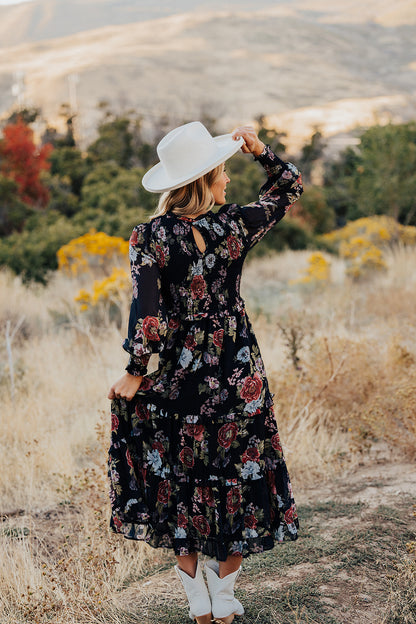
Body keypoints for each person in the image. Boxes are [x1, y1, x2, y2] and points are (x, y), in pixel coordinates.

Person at [107, 121, 303, 624]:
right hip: (239, 374)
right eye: (224, 171)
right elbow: (288, 185)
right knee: (241, 475)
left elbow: (147, 316)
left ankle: (198, 598)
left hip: (181, 379)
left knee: (181, 478)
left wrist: (135, 370)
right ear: (206, 178)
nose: (229, 181)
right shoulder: (235, 225)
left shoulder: (148, 238)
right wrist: (260, 149)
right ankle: (225, 596)